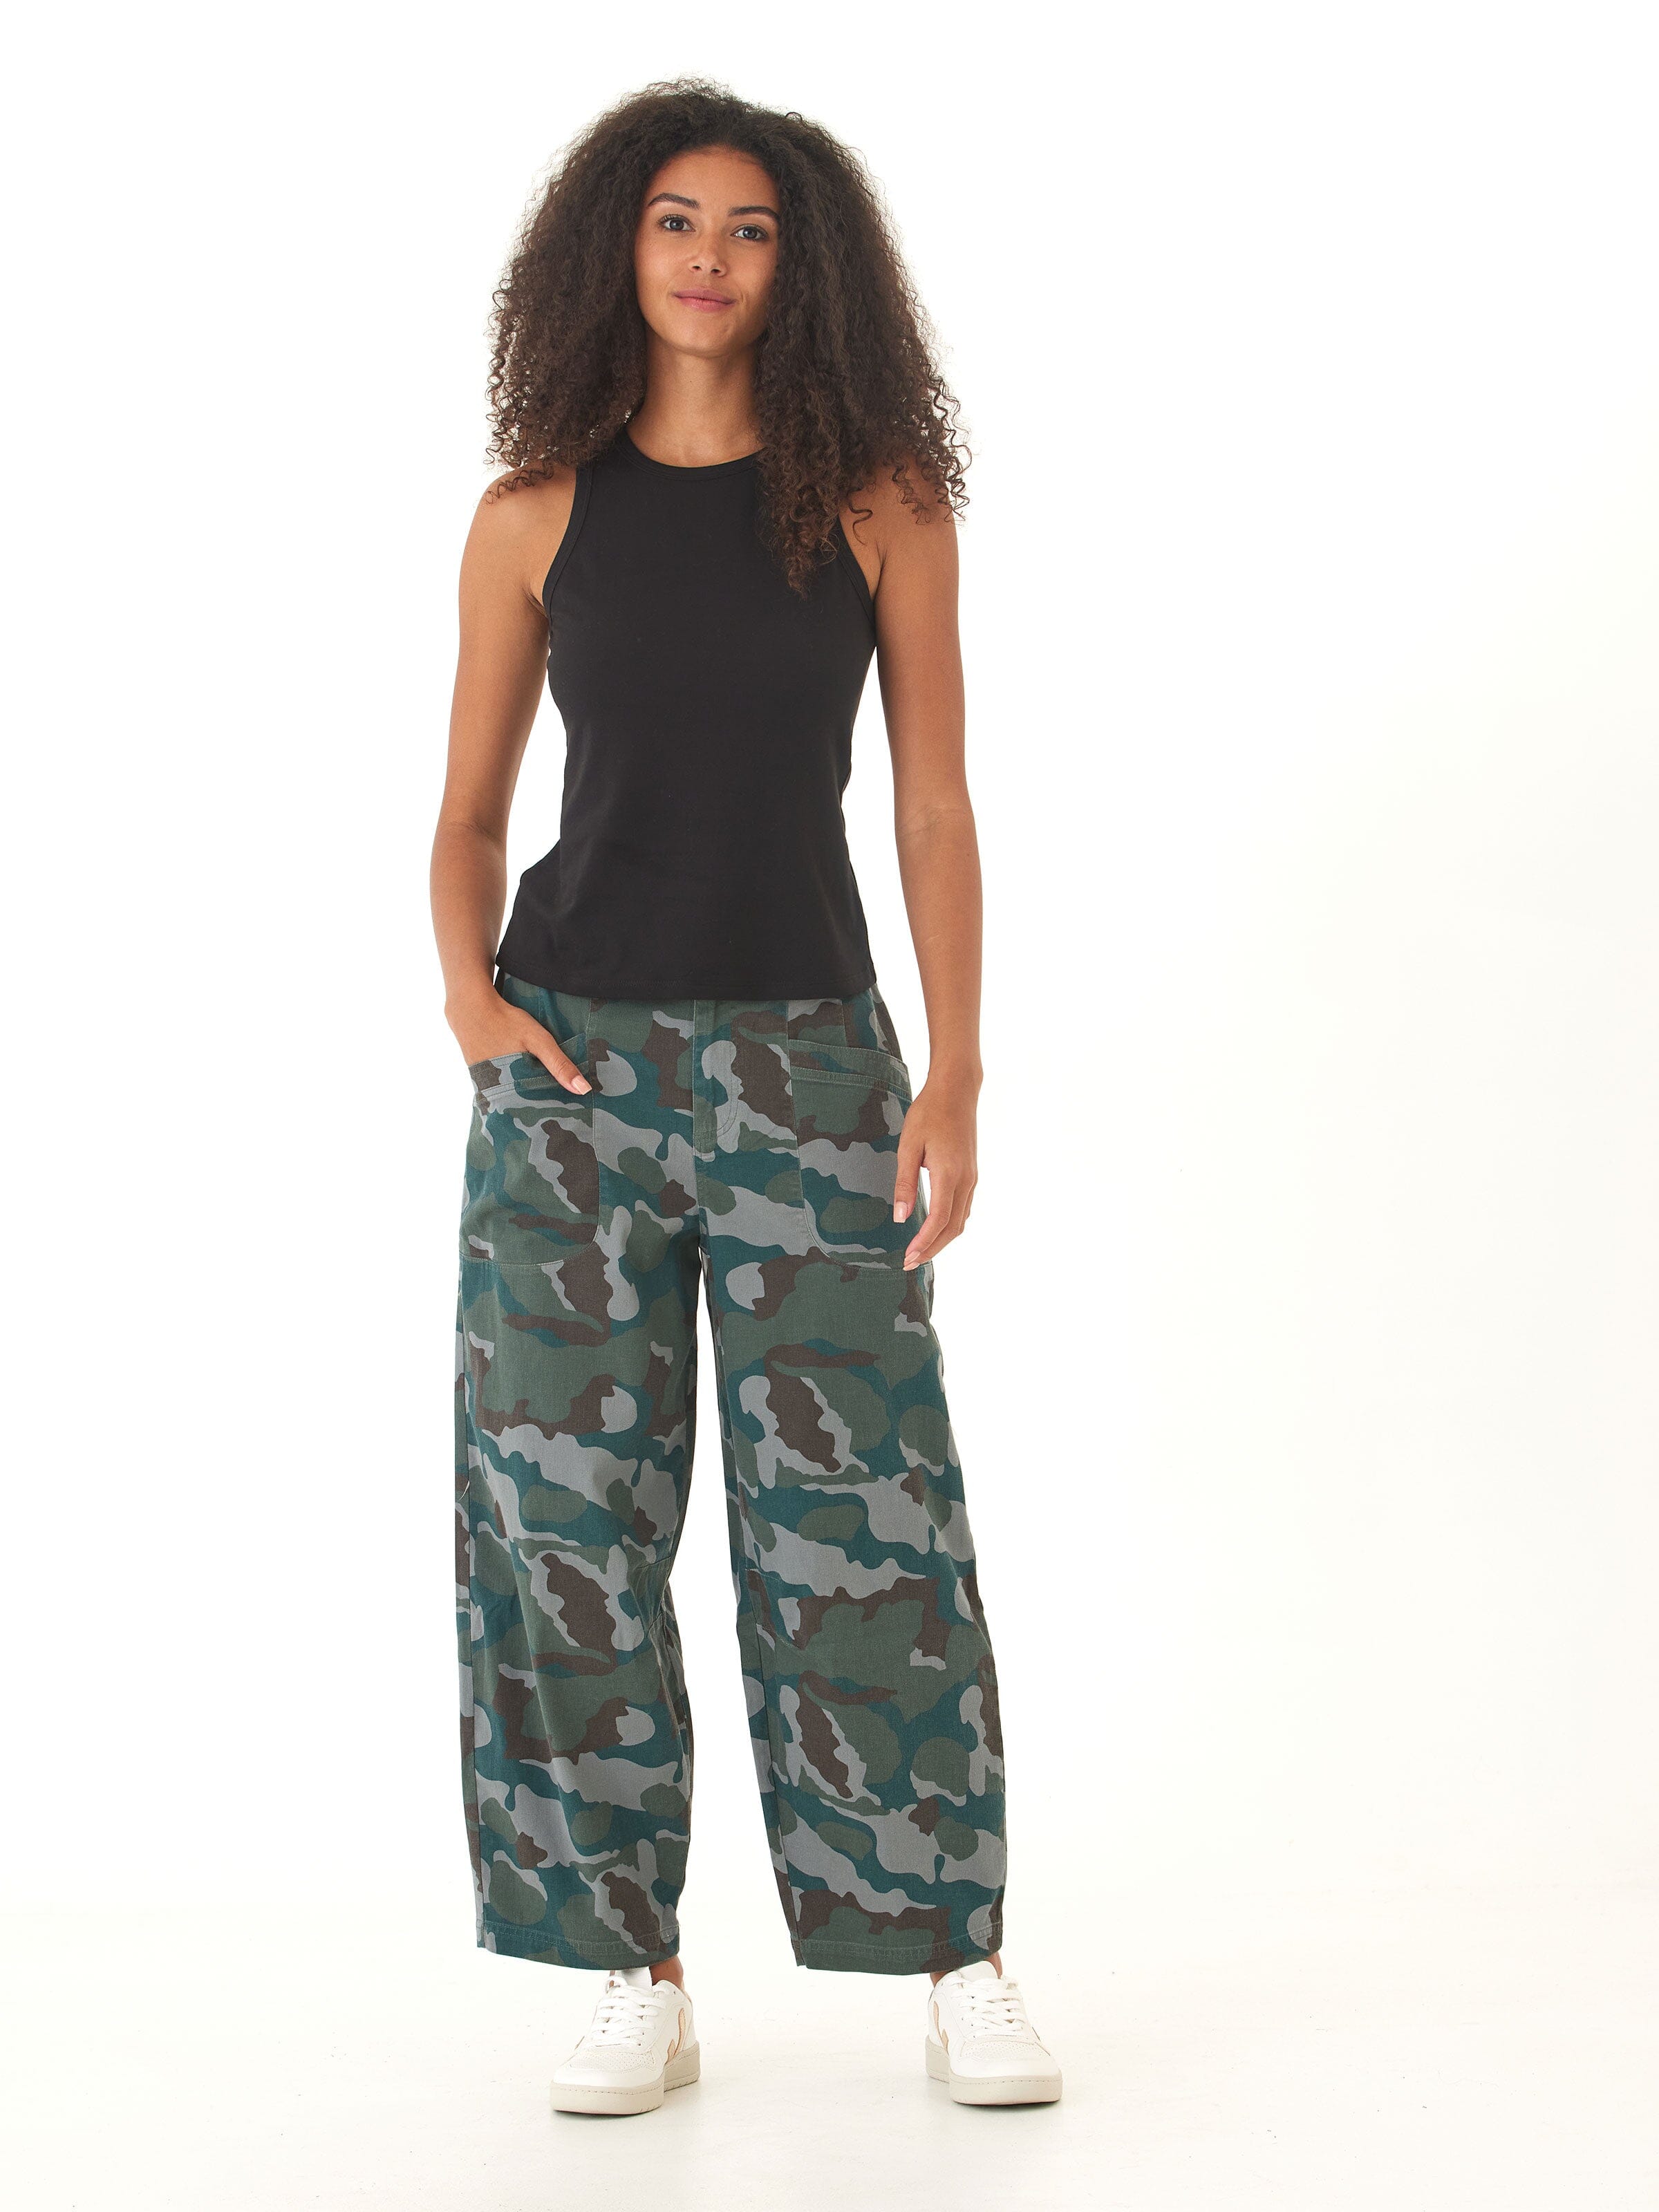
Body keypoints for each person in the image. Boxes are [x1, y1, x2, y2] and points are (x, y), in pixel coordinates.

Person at [430, 79, 1062, 2117]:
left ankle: (956, 1948)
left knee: (866, 1519)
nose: (710, 258)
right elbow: (468, 813)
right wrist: (472, 1002)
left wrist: (955, 1070)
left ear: (808, 269)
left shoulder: (877, 502)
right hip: (574, 1081)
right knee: (563, 1521)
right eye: (677, 221)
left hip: (811, 1064)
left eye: (754, 229)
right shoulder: (535, 511)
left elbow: (937, 803)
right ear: (616, 246)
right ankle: (630, 1961)